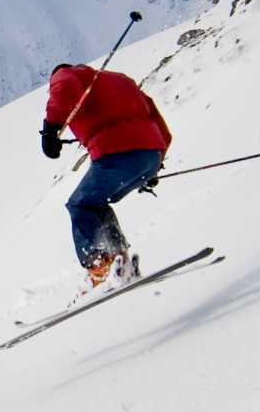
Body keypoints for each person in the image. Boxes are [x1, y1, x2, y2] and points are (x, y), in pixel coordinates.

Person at [40, 63, 173, 287]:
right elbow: (155, 116)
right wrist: (154, 164)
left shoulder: (66, 76)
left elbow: (64, 88)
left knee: (80, 205)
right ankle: (121, 263)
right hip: (150, 156)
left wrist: (50, 128)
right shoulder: (118, 79)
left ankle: (100, 267)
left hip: (116, 155)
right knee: (96, 204)